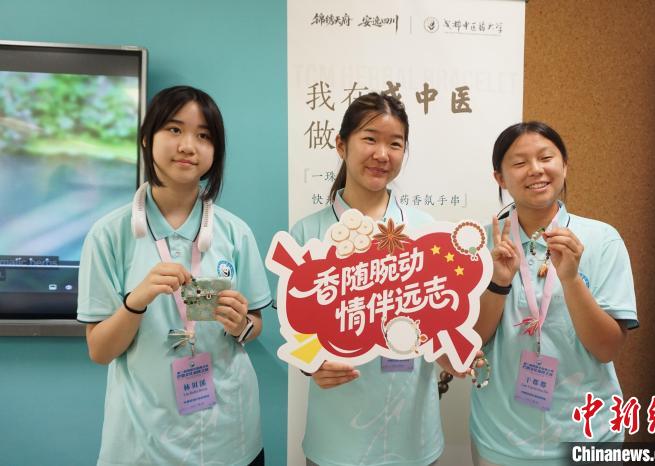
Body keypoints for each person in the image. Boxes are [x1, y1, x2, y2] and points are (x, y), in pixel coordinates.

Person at [78, 85, 272, 466]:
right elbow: (100, 350)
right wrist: (135, 302)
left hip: (229, 440)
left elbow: (254, 325)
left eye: (204, 136)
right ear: (147, 138)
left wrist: (241, 325)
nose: (188, 146)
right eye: (174, 129)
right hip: (142, 444)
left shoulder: (235, 233)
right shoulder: (108, 235)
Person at [290, 92, 447, 466]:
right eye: (370, 139)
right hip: (336, 440)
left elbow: (441, 322)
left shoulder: (426, 231)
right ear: (341, 145)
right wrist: (311, 364)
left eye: (395, 144)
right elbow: (293, 329)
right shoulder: (307, 233)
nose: (382, 154)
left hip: (413, 438)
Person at [469, 121, 638, 465]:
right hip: (501, 438)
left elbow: (607, 348)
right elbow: (470, 344)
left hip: (588, 436)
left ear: (564, 166)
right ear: (500, 178)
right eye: (519, 163)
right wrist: (498, 283)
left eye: (546, 158)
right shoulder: (479, 244)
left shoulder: (602, 240)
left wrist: (571, 279)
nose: (535, 170)